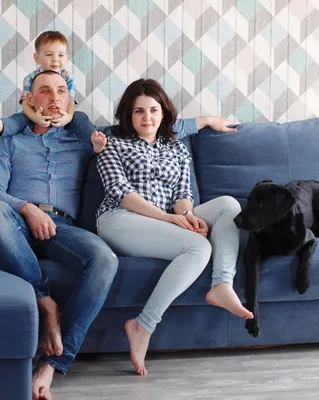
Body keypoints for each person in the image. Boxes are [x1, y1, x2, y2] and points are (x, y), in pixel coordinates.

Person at [0, 70, 238, 398]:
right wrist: (28, 208)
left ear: (70, 102)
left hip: (63, 228)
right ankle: (44, 300)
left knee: (105, 259)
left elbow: (157, 124)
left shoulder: (86, 142)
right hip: (13, 222)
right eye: (44, 91)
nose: (54, 98)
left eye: (61, 92)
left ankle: (52, 364)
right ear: (29, 100)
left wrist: (208, 119)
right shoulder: (7, 142)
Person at [96, 79, 253, 376]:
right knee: (198, 247)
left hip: (168, 218)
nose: (147, 118)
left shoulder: (177, 148)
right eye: (139, 111)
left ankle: (221, 284)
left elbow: (182, 194)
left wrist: (188, 216)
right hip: (120, 219)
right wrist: (169, 219)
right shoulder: (111, 144)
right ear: (128, 115)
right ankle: (143, 325)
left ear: (164, 113)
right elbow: (123, 194)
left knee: (228, 206)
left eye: (153, 110)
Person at [0, 30, 107, 153]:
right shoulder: (30, 78)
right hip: (35, 114)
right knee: (19, 119)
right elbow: (26, 103)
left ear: (67, 58)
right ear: (37, 58)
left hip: (63, 115)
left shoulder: (69, 78)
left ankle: (93, 139)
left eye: (60, 55)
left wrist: (68, 118)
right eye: (49, 54)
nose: (55, 59)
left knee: (80, 117)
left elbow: (71, 102)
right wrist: (34, 117)